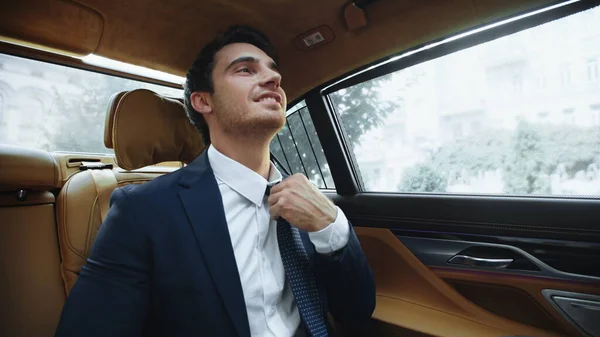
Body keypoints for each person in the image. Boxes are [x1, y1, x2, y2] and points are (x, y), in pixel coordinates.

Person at [54, 25, 375, 337]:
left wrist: (332, 226)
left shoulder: (307, 201)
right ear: (203, 101)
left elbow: (356, 313)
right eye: (245, 70)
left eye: (273, 70)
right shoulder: (141, 212)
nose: (274, 77)